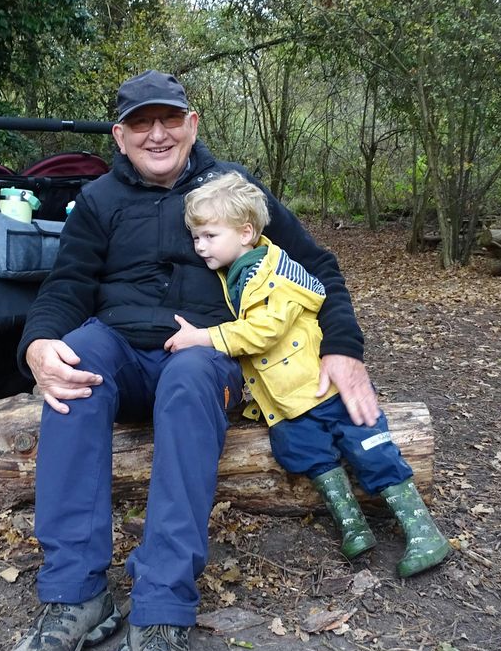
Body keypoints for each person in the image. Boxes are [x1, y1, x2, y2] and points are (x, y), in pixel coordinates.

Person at [0, 70, 382, 651]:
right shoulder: (98, 201)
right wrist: (37, 347)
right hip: (120, 347)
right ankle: (74, 596)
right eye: (141, 123)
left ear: (192, 124)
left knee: (193, 372)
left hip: (209, 356)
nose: (157, 133)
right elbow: (65, 289)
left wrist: (344, 348)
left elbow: (318, 269)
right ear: (119, 136)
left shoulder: (235, 192)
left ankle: (160, 617)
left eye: (169, 119)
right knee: (77, 362)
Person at [165, 171, 451, 574]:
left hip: (322, 387)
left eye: (209, 236)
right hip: (284, 402)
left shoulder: (271, 272)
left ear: (246, 232)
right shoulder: (236, 272)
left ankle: (422, 531)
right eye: (196, 237)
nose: (199, 246)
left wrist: (205, 338)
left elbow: (266, 331)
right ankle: (351, 523)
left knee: (369, 447)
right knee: (304, 453)